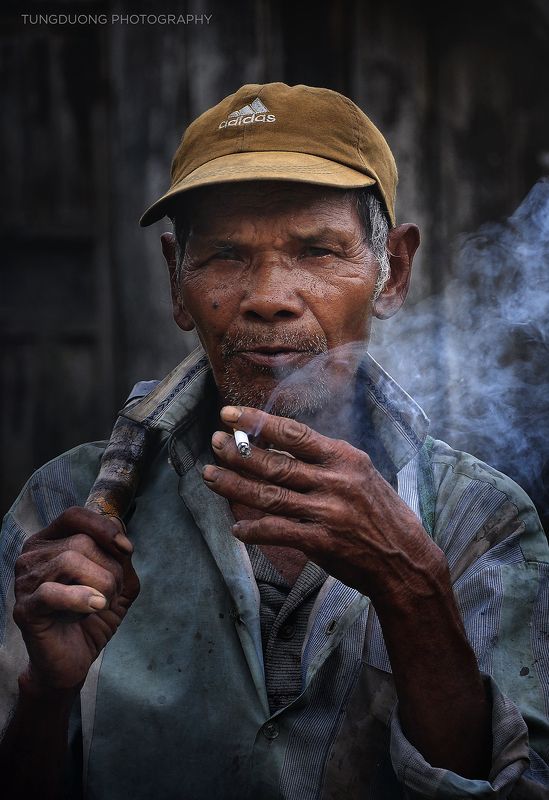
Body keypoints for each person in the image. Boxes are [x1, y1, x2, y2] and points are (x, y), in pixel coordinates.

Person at [0, 82, 548, 800]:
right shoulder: (66, 506)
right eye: (225, 254)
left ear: (393, 272)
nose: (267, 295)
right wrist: (45, 693)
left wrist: (412, 588)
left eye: (318, 251)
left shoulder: (479, 519)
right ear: (176, 280)